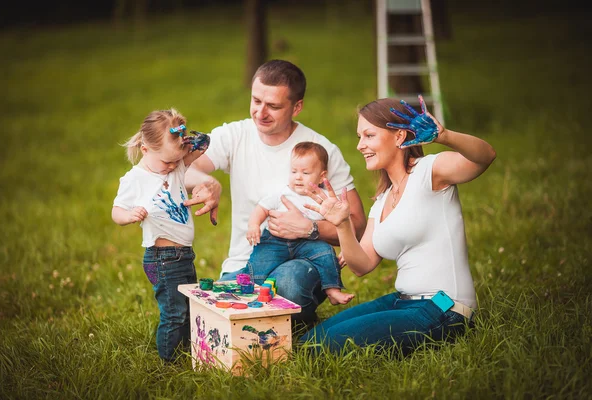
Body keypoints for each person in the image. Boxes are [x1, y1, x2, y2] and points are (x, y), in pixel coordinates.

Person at [299, 95, 496, 354]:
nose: (360, 145)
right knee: (311, 339)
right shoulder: (381, 201)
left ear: (399, 137)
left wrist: (443, 136)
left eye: (368, 135)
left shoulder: (429, 172)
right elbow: (363, 264)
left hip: (444, 308)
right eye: (359, 137)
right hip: (402, 302)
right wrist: (342, 224)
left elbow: (485, 156)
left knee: (321, 348)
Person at [184, 60, 367, 325]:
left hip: (302, 260)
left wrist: (310, 228)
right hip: (246, 262)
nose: (260, 112)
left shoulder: (321, 150)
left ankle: (289, 324)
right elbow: (186, 169)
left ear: (297, 107)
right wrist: (210, 182)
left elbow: (358, 225)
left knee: (288, 285)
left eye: (274, 106)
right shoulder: (235, 135)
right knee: (206, 317)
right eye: (256, 101)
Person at [111, 109, 209, 361]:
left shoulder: (175, 168)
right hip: (162, 258)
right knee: (174, 313)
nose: (173, 166)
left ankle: (188, 353)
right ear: (145, 150)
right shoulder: (135, 179)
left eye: (176, 160)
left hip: (184, 255)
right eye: (166, 161)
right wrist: (130, 215)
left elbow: (205, 143)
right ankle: (169, 362)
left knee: (188, 308)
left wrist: (185, 139)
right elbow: (116, 212)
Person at [242, 141, 354, 305]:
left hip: (308, 242)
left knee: (326, 253)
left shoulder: (325, 198)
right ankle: (251, 290)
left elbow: (340, 224)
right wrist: (254, 225)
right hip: (275, 241)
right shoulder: (283, 193)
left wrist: (346, 246)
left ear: (322, 176)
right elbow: (261, 208)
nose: (298, 177)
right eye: (293, 171)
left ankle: (332, 290)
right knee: (260, 261)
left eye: (305, 172)